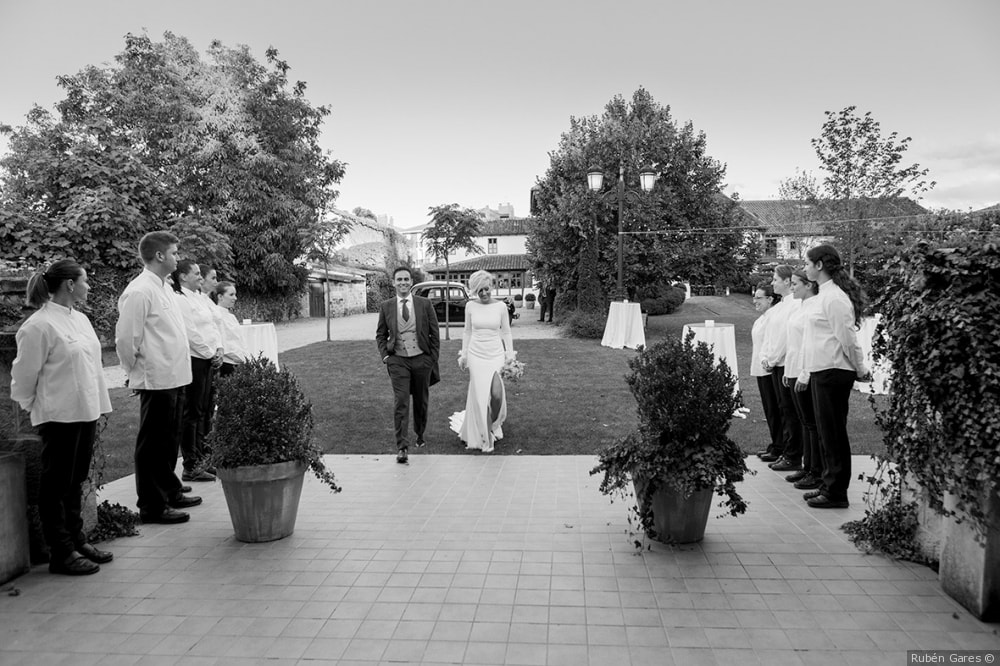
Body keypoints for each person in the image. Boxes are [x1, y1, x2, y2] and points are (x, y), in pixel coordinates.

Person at [11, 259, 114, 575]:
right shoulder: (39, 326)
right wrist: (37, 407)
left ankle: (76, 539)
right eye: (85, 280)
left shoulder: (80, 320)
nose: (89, 286)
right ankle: (61, 551)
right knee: (56, 484)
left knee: (76, 479)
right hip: (58, 416)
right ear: (70, 284)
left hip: (85, 412)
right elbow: (24, 376)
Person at [116, 231, 201, 524]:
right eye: (175, 253)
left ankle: (170, 490)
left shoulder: (163, 287)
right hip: (156, 377)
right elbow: (127, 339)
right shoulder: (140, 291)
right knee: (152, 443)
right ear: (160, 256)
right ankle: (152, 505)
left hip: (175, 375)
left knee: (170, 438)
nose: (178, 258)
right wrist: (133, 373)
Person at [801, 244, 870, 509]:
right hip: (823, 370)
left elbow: (848, 339)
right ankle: (828, 483)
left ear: (819, 265)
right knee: (824, 432)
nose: (805, 267)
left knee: (833, 433)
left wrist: (861, 368)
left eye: (807, 262)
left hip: (834, 371)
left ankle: (836, 492)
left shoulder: (835, 297)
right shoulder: (824, 295)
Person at [375, 266, 440, 464]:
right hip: (398, 361)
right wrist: (386, 357)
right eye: (399, 280)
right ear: (394, 283)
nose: (402, 283)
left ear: (411, 282)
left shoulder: (424, 304)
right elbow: (380, 334)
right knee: (401, 402)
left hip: (421, 359)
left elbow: (434, 333)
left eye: (406, 279)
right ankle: (402, 447)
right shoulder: (386, 306)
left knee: (421, 401)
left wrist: (432, 359)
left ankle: (420, 433)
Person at [450, 270, 516, 453]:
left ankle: (494, 423)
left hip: (495, 353)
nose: (484, 294)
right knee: (480, 397)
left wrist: (509, 355)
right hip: (476, 355)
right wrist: (464, 354)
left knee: (496, 394)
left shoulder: (501, 307)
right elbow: (467, 331)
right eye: (480, 291)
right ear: (475, 292)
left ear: (491, 287)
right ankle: (485, 438)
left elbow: (506, 332)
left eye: (486, 289)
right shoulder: (470, 306)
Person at [171, 261, 224, 482]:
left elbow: (211, 326)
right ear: (183, 277)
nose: (200, 278)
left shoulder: (199, 298)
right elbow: (190, 332)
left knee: (205, 409)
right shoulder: (181, 299)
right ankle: (190, 464)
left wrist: (219, 348)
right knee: (192, 412)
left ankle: (203, 457)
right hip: (196, 359)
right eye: (196, 274)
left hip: (209, 357)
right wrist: (209, 352)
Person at [761, 265, 803, 472]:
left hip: (786, 362)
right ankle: (787, 451)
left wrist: (773, 358)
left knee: (790, 411)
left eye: (776, 279)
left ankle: (794, 455)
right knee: (782, 408)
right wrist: (767, 357)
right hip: (777, 364)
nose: (772, 283)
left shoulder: (795, 305)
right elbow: (771, 336)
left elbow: (787, 338)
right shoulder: (779, 307)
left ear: (787, 281)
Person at [784, 270, 823, 490]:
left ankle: (815, 470)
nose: (792, 287)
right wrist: (788, 372)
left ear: (808, 285)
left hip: (804, 371)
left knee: (811, 424)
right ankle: (808, 467)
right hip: (793, 370)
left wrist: (805, 373)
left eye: (795, 283)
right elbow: (794, 343)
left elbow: (811, 343)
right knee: (805, 422)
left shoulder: (814, 308)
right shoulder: (800, 307)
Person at [750, 283, 783, 461]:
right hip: (760, 368)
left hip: (770, 368)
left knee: (775, 409)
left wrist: (768, 361)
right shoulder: (762, 318)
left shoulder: (773, 317)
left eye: (759, 298)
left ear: (770, 299)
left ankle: (780, 446)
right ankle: (775, 443)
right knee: (769, 409)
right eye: (754, 297)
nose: (755, 301)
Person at [210, 281, 250, 377]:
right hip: (227, 363)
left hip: (238, 361)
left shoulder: (231, 316)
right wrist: (238, 357)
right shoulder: (216, 314)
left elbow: (239, 339)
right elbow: (221, 341)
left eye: (235, 294)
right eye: (231, 295)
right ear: (220, 297)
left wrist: (245, 357)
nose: (235, 298)